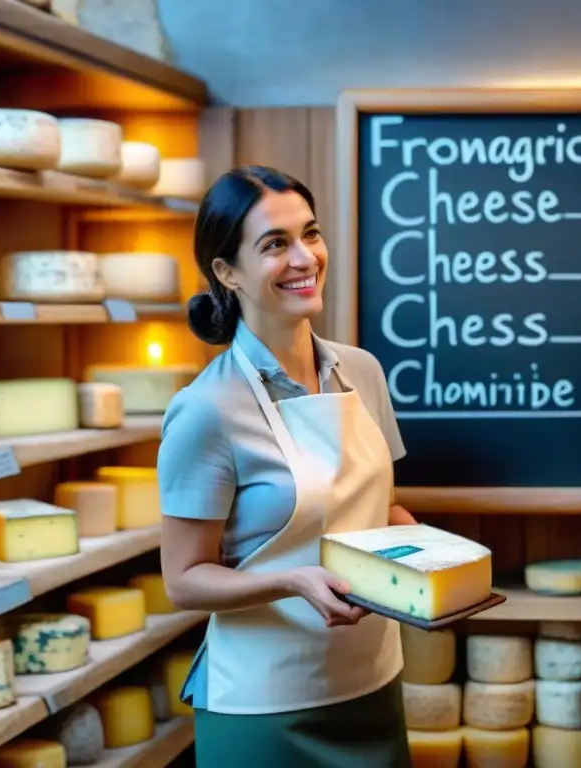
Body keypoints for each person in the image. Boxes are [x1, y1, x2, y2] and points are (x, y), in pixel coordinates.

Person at [157, 164, 416, 766]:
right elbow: (184, 578)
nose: (305, 257)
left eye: (312, 234)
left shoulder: (363, 372)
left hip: (374, 680)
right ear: (227, 272)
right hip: (264, 707)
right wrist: (293, 580)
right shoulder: (204, 410)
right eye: (275, 244)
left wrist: (430, 556)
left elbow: (381, 509)